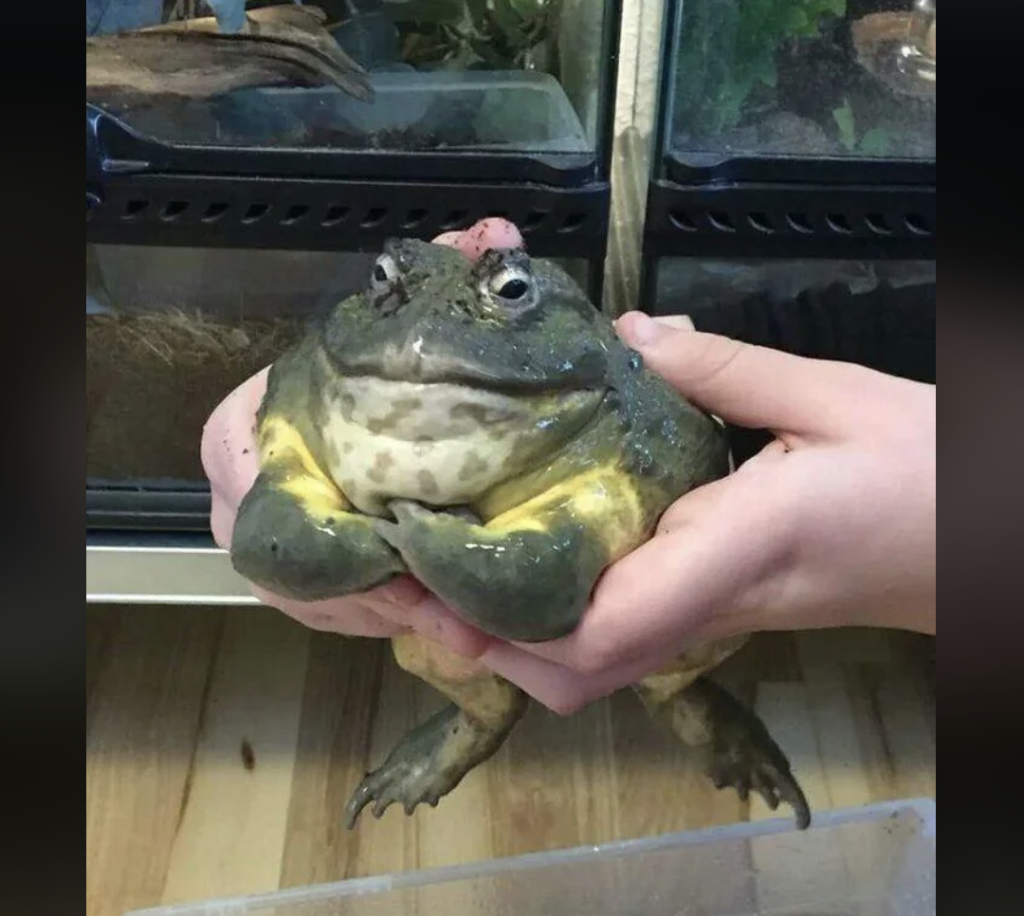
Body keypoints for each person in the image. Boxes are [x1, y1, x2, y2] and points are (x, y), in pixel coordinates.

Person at [201, 219, 935, 715]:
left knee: (657, 672)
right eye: (388, 283)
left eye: (511, 293)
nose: (422, 337)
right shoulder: (326, 372)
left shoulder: (600, 436)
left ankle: (685, 708)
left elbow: (537, 584)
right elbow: (273, 533)